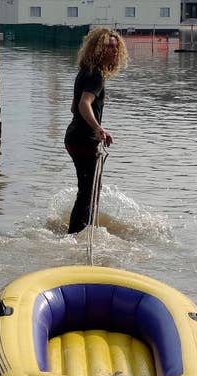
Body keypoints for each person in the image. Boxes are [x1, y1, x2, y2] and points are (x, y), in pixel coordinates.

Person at [64, 27, 128, 234]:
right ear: (97, 49)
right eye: (109, 47)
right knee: (89, 192)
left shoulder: (85, 72)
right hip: (83, 141)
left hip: (73, 138)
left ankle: (79, 232)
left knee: (87, 191)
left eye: (116, 47)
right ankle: (77, 236)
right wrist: (99, 129)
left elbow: (74, 107)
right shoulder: (96, 76)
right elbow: (83, 104)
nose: (114, 51)